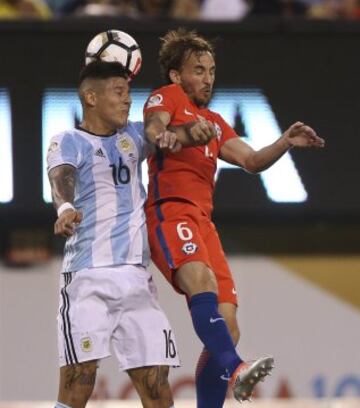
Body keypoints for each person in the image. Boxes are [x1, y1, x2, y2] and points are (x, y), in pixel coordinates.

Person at [143, 28, 325, 406]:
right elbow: (155, 129)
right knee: (201, 280)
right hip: (170, 211)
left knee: (228, 324)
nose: (208, 78)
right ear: (177, 75)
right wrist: (178, 134)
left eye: (211, 70)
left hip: (204, 223)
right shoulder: (169, 96)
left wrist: (284, 142)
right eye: (198, 69)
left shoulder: (214, 121)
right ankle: (237, 368)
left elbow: (251, 161)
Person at [47, 60, 184, 408]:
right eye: (119, 92)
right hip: (88, 277)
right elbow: (61, 178)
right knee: (79, 385)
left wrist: (193, 132)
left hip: (137, 280)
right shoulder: (69, 140)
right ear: (91, 97)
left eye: (129, 93)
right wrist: (65, 209)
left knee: (158, 390)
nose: (127, 101)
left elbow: (171, 132)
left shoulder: (135, 137)